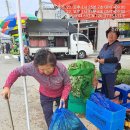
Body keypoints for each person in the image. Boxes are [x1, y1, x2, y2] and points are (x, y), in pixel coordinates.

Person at [1, 49, 72, 128]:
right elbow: (16, 72)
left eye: (48, 69)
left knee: (63, 116)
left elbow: (67, 84)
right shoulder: (32, 67)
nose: (45, 72)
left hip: (61, 95)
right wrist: (7, 86)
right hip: (45, 95)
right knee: (48, 116)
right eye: (41, 69)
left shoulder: (61, 68)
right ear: (37, 66)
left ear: (54, 65)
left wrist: (63, 97)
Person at [95, 27, 123, 100]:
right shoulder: (105, 45)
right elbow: (101, 54)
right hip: (103, 70)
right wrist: (97, 58)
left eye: (114, 34)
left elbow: (116, 59)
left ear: (117, 36)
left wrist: (104, 61)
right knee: (104, 86)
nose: (111, 35)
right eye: (109, 33)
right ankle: (104, 100)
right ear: (107, 35)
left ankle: (110, 101)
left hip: (111, 71)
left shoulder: (118, 46)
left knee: (109, 88)